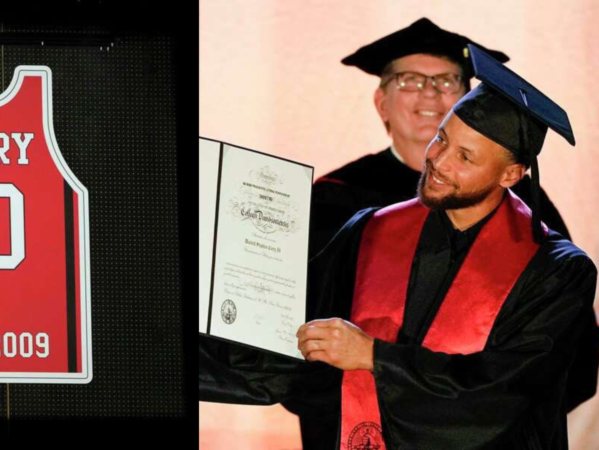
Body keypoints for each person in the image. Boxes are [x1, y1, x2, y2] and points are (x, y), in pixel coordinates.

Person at [200, 45, 598, 450]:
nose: (439, 161)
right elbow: (302, 347)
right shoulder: (370, 230)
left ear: (510, 174)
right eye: (442, 138)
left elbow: (507, 391)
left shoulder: (556, 270)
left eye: (465, 156)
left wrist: (374, 358)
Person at [310, 18, 571, 250]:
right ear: (381, 104)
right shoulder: (337, 195)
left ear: (469, 102)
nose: (430, 93)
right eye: (409, 80)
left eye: (447, 81)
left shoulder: (519, 197)